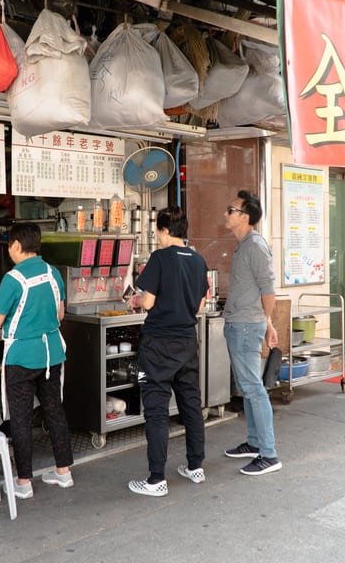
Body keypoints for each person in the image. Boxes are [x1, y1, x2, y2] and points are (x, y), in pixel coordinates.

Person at [0, 222, 74, 499]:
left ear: (17, 245)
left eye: (9, 247)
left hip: (21, 358)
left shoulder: (13, 279)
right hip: (52, 355)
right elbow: (60, 314)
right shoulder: (53, 273)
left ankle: (24, 482)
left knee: (20, 418)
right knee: (54, 411)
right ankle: (64, 472)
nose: (9, 252)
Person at [127, 207, 209, 497]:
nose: (158, 237)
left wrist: (136, 300)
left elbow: (148, 302)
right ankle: (195, 467)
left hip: (158, 344)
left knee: (156, 410)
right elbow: (200, 306)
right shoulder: (198, 260)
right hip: (187, 341)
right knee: (191, 404)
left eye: (158, 233)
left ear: (163, 230)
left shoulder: (160, 258)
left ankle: (156, 479)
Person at [222, 190, 283, 476]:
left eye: (231, 210)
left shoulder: (255, 246)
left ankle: (269, 454)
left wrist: (265, 320)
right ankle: (255, 442)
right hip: (242, 323)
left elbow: (268, 290)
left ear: (245, 217)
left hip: (246, 326)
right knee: (248, 386)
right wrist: (267, 324)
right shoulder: (243, 245)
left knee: (253, 388)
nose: (226, 214)